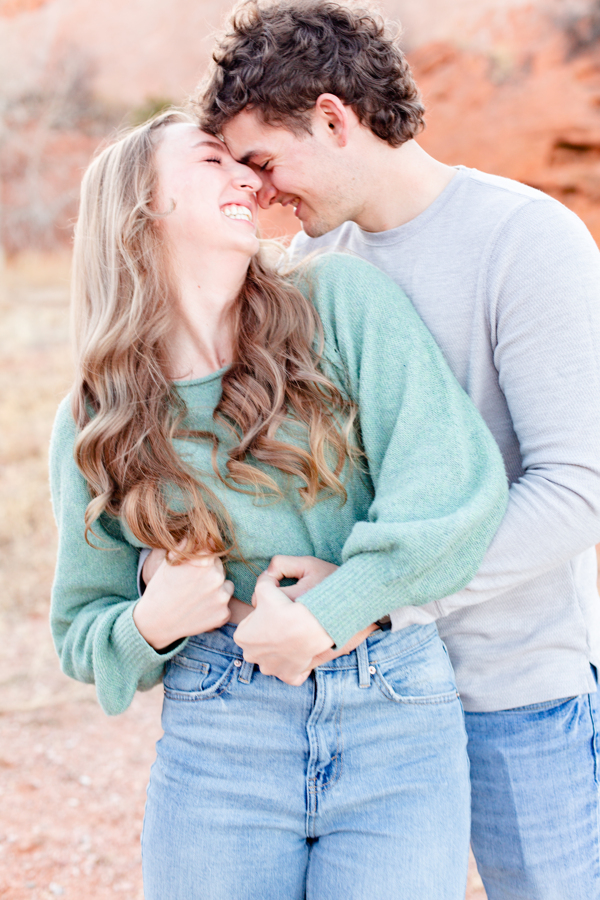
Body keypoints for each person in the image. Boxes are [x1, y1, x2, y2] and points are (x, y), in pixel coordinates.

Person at [49, 109, 507, 899]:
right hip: (220, 737)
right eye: (210, 161)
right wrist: (154, 620)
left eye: (245, 164)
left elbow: (456, 489)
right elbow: (81, 628)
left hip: (393, 716)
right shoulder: (97, 417)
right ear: (144, 208)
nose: (249, 178)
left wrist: (331, 610)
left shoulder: (340, 303)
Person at [197, 2, 600, 899]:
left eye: (265, 160)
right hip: (357, 697)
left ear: (336, 119)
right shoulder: (312, 259)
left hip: (510, 691)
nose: (260, 192)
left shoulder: (527, 241)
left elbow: (577, 491)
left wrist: (370, 604)